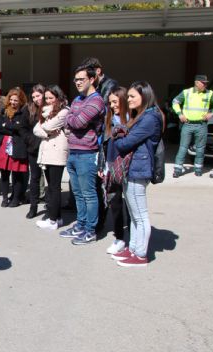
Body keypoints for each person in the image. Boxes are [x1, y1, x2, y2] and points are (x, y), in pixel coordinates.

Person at [111, 81, 163, 267]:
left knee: (140, 214)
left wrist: (118, 134)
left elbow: (125, 143)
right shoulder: (141, 116)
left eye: (133, 96)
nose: (129, 99)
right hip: (133, 168)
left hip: (139, 169)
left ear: (145, 96)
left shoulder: (149, 118)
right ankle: (133, 248)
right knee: (134, 214)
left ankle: (140, 254)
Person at [59, 65, 106, 245]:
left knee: (88, 194)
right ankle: (81, 224)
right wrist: (71, 119)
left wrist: (71, 119)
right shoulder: (78, 99)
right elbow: (69, 120)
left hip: (87, 154)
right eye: (76, 79)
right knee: (78, 194)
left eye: (81, 79)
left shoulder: (96, 101)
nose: (77, 82)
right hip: (73, 152)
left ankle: (90, 230)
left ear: (92, 79)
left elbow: (76, 121)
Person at [98, 86, 131, 253]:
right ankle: (119, 238)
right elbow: (102, 145)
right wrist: (101, 165)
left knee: (131, 204)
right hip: (111, 166)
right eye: (110, 102)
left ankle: (133, 238)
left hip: (128, 167)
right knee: (115, 203)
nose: (112, 106)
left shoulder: (133, 119)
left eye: (115, 102)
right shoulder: (109, 120)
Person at [172, 75, 213, 177]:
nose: (205, 85)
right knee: (183, 147)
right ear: (196, 83)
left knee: (200, 148)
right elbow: (175, 102)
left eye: (206, 83)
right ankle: (177, 169)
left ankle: (198, 169)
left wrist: (212, 113)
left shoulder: (209, 93)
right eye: (203, 83)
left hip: (201, 125)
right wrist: (180, 114)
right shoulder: (187, 92)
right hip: (188, 124)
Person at [34, 85, 69, 230]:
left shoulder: (64, 111)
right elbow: (37, 129)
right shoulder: (45, 111)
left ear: (58, 97)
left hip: (57, 151)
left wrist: (46, 128)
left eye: (51, 98)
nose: (48, 101)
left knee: (54, 187)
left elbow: (48, 126)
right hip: (47, 150)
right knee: (51, 186)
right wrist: (47, 132)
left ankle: (53, 220)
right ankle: (58, 217)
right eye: (46, 98)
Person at [0, 88, 30, 208]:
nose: (13, 102)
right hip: (3, 145)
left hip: (17, 145)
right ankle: (4, 198)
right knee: (4, 174)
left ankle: (16, 197)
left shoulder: (24, 112)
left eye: (16, 100)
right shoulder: (4, 111)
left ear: (21, 101)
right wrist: (11, 127)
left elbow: (21, 128)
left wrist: (7, 126)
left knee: (17, 175)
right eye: (11, 100)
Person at [26, 84, 46, 218]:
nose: (35, 99)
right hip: (33, 148)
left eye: (38, 95)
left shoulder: (50, 108)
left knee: (50, 179)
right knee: (34, 178)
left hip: (49, 148)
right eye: (33, 97)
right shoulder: (29, 109)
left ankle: (51, 206)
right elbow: (23, 128)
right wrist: (31, 141)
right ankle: (33, 206)